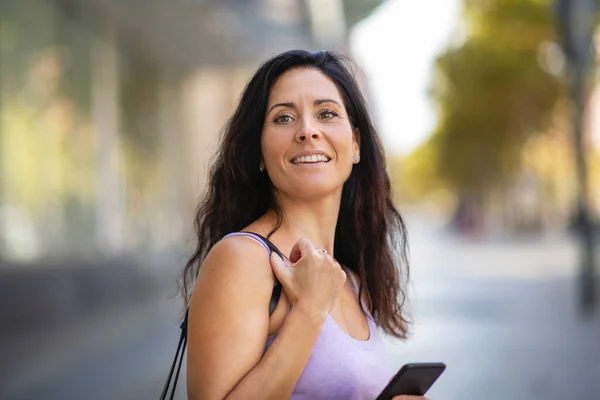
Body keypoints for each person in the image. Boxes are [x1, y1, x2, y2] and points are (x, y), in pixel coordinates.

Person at [183, 50, 426, 400]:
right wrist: (309, 312)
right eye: (283, 118)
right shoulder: (244, 260)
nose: (308, 131)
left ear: (355, 144)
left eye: (326, 113)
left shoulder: (352, 279)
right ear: (259, 153)